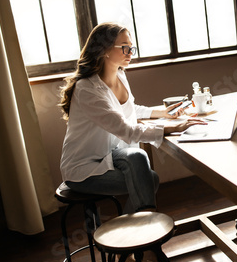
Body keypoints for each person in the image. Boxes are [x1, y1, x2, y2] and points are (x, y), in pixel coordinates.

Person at [59, 22, 205, 215]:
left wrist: (162, 113)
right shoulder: (87, 89)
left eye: (131, 47)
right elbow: (126, 130)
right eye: (125, 47)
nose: (130, 53)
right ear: (104, 50)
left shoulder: (120, 75)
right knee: (148, 179)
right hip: (83, 170)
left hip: (109, 155)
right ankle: (143, 231)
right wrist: (172, 128)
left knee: (141, 164)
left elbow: (128, 109)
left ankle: (133, 232)